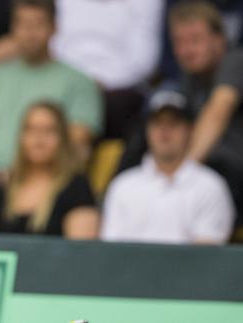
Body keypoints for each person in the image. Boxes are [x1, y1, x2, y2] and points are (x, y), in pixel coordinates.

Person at [119, 0, 243, 238]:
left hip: (234, 171)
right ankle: (112, 199)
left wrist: (182, 173)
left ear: (220, 40)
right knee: (143, 133)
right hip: (208, 171)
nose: (186, 50)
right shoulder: (186, 79)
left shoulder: (236, 60)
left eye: (195, 40)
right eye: (179, 42)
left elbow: (218, 111)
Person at [0, 0, 102, 188]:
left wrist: (33, 189)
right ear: (12, 28)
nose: (30, 33)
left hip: (48, 189)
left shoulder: (80, 82)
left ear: (54, 28)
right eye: (22, 24)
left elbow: (77, 144)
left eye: (38, 24)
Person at [101, 92, 235, 244]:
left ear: (190, 130)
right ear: (147, 130)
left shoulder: (210, 186)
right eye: (157, 124)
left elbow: (207, 254)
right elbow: (114, 250)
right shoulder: (122, 185)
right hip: (133, 267)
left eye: (173, 124)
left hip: (189, 267)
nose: (164, 132)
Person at [0, 102, 99, 238]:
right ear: (20, 137)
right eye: (31, 129)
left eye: (49, 130)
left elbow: (80, 250)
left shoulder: (77, 187)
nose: (39, 138)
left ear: (62, 138)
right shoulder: (1, 184)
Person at [50, 0, 164, 139]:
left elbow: (144, 61)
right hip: (69, 83)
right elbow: (54, 45)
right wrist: (81, 83)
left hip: (120, 91)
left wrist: (99, 83)